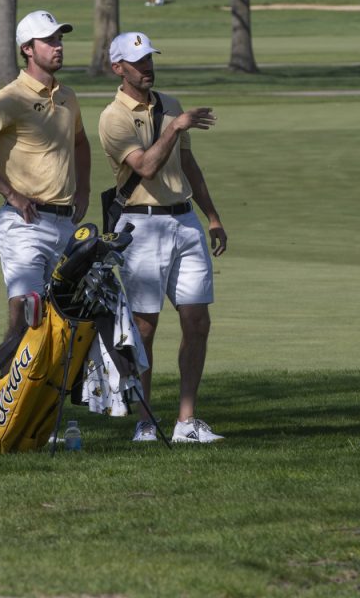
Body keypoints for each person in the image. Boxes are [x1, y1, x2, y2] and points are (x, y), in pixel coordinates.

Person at [98, 31, 228, 444]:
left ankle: (187, 422)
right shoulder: (113, 117)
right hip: (141, 225)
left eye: (150, 58)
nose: (147, 67)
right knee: (145, 326)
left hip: (184, 220)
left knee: (197, 320)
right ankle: (146, 422)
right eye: (137, 62)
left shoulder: (169, 105)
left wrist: (212, 217)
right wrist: (176, 127)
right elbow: (147, 167)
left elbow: (188, 165)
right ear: (118, 68)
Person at [0, 10, 90, 341]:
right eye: (49, 41)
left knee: (63, 327)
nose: (58, 46)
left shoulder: (67, 96)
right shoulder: (11, 97)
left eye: (60, 39)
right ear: (28, 49)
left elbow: (80, 142)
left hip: (64, 225)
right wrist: (11, 194)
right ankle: (3, 388)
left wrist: (84, 189)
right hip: (24, 224)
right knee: (25, 317)